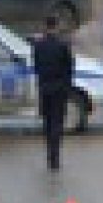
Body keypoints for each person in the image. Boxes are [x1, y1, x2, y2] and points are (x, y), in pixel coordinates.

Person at [32, 14, 74, 172]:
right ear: (56, 27)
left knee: (47, 123)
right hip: (59, 90)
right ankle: (55, 158)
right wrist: (66, 88)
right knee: (57, 123)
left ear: (45, 26)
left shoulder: (39, 46)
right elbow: (69, 69)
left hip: (44, 89)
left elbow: (36, 67)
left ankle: (49, 154)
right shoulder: (63, 46)